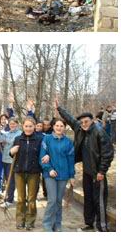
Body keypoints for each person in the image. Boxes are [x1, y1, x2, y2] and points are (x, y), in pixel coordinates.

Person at [55, 99, 114, 232]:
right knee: (88, 198)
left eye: (86, 121)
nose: (83, 124)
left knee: (98, 200)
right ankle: (89, 223)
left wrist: (101, 171)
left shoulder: (99, 132)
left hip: (97, 172)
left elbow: (108, 153)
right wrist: (59, 109)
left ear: (92, 121)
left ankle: (102, 227)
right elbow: (70, 119)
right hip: (87, 171)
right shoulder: (80, 128)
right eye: (81, 122)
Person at [40, 118, 75, 232]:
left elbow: (71, 160)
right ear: (53, 127)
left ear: (64, 127)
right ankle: (47, 224)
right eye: (57, 126)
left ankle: (57, 224)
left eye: (61, 126)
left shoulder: (68, 142)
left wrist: (72, 175)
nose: (59, 128)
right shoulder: (47, 139)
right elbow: (42, 157)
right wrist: (49, 169)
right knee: (52, 200)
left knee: (59, 201)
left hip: (63, 174)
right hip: (50, 174)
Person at [10, 117, 43, 230]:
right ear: (22, 127)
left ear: (34, 127)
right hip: (19, 172)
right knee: (20, 198)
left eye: (30, 126)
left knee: (31, 199)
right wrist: (11, 151)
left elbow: (43, 153)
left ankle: (30, 221)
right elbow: (12, 153)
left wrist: (46, 156)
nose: (28, 128)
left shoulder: (39, 139)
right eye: (26, 126)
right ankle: (20, 220)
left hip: (34, 172)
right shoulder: (18, 139)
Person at [0, 117, 22, 208]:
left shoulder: (19, 133)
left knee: (11, 180)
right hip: (5, 158)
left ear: (17, 124)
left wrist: (5, 139)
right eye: (11, 124)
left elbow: (13, 142)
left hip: (13, 160)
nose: (12, 125)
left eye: (14, 124)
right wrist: (0, 131)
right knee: (8, 179)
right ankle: (9, 196)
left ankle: (10, 199)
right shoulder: (6, 133)